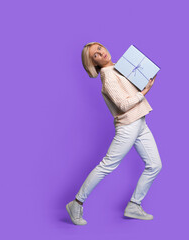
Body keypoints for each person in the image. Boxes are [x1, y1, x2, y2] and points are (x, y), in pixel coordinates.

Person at [66, 42, 162, 225]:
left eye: (100, 48)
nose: (101, 53)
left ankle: (134, 205)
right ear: (93, 63)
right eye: (95, 55)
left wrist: (148, 79)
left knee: (155, 165)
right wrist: (145, 91)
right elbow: (123, 105)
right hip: (128, 125)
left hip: (139, 121)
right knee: (107, 165)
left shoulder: (119, 67)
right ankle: (76, 203)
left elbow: (131, 90)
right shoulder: (107, 75)